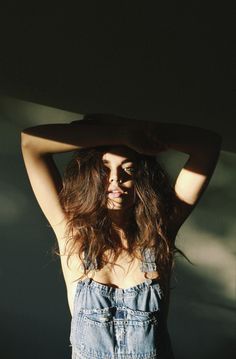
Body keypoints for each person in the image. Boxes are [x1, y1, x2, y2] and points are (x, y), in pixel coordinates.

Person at [21, 113, 222, 359]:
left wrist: (137, 129)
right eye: (105, 169)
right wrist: (119, 134)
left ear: (141, 179)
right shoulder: (72, 234)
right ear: (92, 176)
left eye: (129, 169)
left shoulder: (159, 234)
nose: (116, 179)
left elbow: (208, 144)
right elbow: (31, 143)